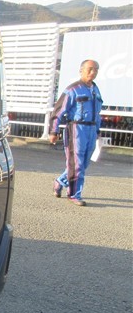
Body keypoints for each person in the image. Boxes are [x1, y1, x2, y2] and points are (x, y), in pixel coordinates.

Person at [48, 59, 103, 206]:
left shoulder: (95, 89)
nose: (93, 72)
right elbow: (58, 111)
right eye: (90, 69)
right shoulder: (73, 89)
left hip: (91, 130)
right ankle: (74, 194)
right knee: (76, 163)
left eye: (96, 69)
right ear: (81, 70)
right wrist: (53, 131)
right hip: (76, 129)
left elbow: (97, 113)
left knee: (84, 163)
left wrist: (98, 131)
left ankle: (60, 181)